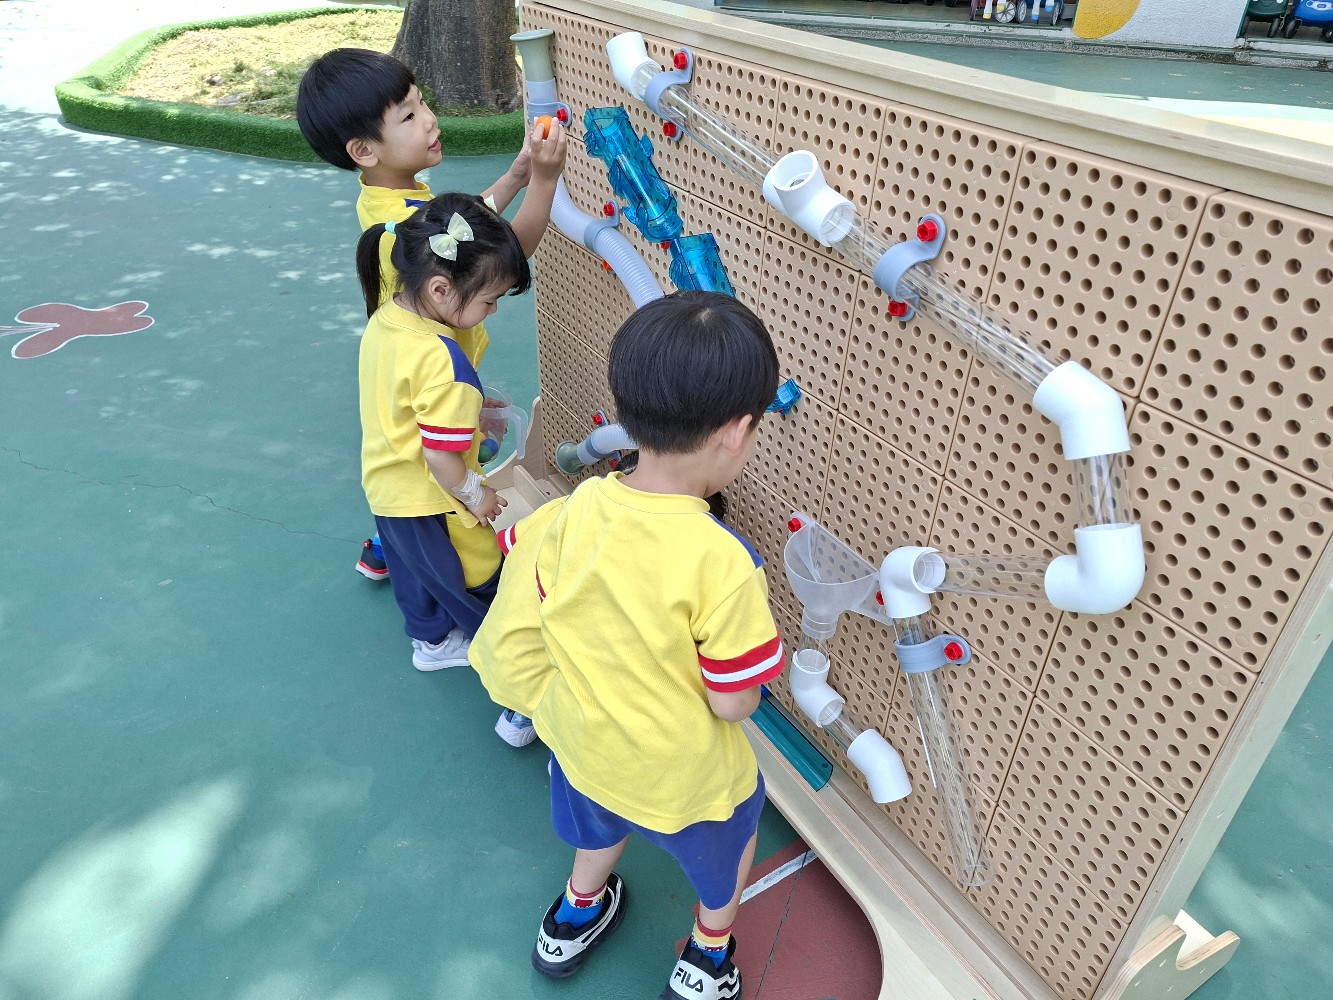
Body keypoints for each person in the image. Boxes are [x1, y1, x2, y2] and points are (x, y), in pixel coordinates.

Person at [471, 292, 786, 1000]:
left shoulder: (575, 507)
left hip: (583, 744)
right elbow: (733, 704)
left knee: (598, 823)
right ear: (736, 432)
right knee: (731, 838)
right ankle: (708, 956)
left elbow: (524, 561)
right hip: (684, 777)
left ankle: (576, 913)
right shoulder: (724, 562)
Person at [295, 47, 561, 585]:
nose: (431, 120)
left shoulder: (388, 203)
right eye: (409, 115)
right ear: (364, 149)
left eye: (423, 103)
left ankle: (389, 545)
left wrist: (514, 178)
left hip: (405, 373)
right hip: (434, 378)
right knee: (440, 482)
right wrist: (544, 182)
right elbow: (503, 256)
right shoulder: (400, 234)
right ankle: (434, 576)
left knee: (407, 464)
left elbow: (458, 229)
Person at [354, 187, 560, 748]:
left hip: (387, 488)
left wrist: (468, 411)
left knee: (414, 567)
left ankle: (430, 642)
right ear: (441, 289)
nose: (493, 311)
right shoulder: (447, 364)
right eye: (489, 301)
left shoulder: (388, 317)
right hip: (432, 499)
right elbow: (441, 457)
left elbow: (410, 404)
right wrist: (478, 495)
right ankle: (495, 657)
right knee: (473, 578)